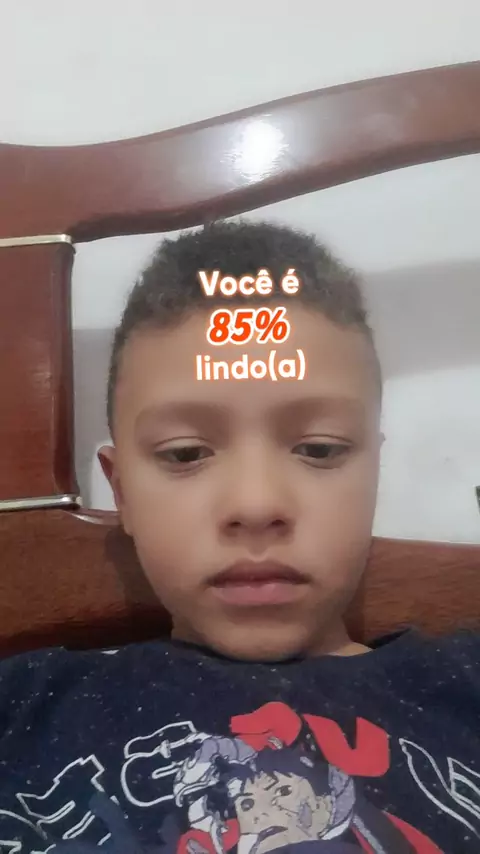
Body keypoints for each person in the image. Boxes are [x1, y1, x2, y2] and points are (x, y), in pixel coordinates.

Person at [0, 221, 478, 854]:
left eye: (318, 448)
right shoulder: (23, 712)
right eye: (186, 453)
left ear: (374, 474)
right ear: (122, 492)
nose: (256, 505)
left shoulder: (465, 689)